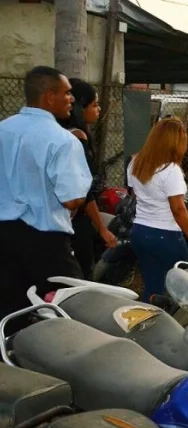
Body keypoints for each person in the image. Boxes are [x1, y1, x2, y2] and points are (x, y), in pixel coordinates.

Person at [0, 66, 91, 319]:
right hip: (45, 243)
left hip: (4, 237)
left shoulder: (2, 130)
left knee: (9, 313)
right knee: (69, 311)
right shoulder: (62, 140)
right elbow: (72, 199)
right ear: (49, 96)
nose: (72, 99)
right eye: (67, 93)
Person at [127, 117, 188, 302]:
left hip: (140, 232)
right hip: (165, 235)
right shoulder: (171, 170)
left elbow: (136, 195)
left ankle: (144, 326)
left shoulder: (135, 163)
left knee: (153, 287)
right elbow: (178, 209)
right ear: (176, 141)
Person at [58, 79, 118, 279]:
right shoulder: (77, 137)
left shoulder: (59, 133)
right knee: (82, 273)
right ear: (78, 108)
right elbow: (84, 190)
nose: (99, 109)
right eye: (94, 105)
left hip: (60, 216)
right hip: (76, 217)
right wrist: (102, 229)